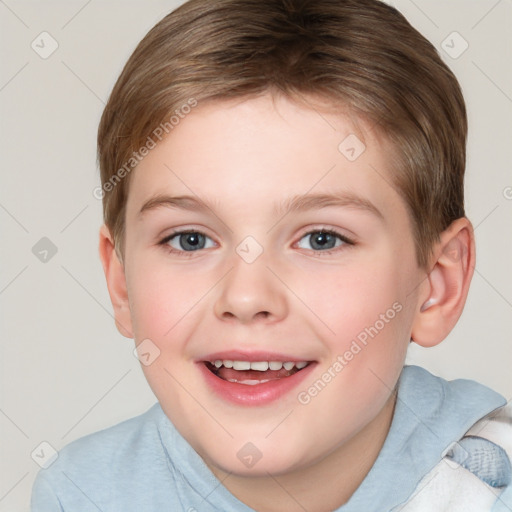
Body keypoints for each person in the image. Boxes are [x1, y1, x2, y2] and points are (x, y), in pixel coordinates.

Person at [31, 0, 512, 510]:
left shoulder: (486, 488)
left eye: (322, 239)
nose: (245, 296)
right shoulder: (80, 493)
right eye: (190, 239)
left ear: (436, 285)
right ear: (122, 282)